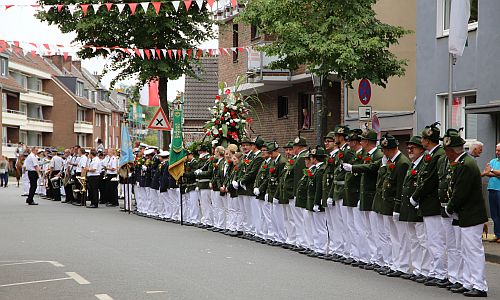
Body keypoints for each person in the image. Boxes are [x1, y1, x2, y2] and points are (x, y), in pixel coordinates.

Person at [443, 129, 488, 297]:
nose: (446, 154)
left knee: (473, 250)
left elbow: (460, 192)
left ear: (453, 150)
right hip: (466, 214)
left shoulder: (466, 165)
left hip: (471, 214)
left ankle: (479, 285)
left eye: (447, 151)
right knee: (466, 250)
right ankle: (469, 282)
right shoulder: (464, 163)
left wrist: (449, 208)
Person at [483, 143, 500, 243]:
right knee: (494, 214)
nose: (497, 152)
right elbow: (486, 172)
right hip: (492, 189)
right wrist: (494, 173)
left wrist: (492, 170)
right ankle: (497, 234)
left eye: (499, 151)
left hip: (499, 190)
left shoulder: (492, 164)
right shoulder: (493, 161)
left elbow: (490, 171)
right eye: (496, 150)